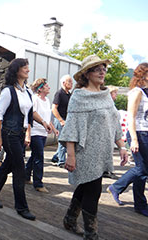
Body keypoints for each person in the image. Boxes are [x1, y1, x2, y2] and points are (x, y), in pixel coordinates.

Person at [59, 55, 128, 239]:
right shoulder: (79, 96)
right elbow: (71, 127)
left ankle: (70, 219)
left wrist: (121, 146)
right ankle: (91, 233)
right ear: (87, 74)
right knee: (94, 190)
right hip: (85, 152)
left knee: (86, 187)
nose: (102, 71)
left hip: (103, 152)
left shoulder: (106, 95)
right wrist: (70, 155)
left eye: (104, 68)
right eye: (97, 69)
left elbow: (113, 123)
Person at [0, 58, 49, 221]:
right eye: (24, 67)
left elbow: (30, 112)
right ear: (16, 70)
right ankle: (21, 207)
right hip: (9, 134)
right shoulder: (8, 91)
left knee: (7, 165)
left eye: (28, 66)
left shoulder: (26, 91)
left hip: (19, 135)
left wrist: (43, 122)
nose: (28, 69)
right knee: (19, 170)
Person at [107, 63, 148, 217]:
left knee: (143, 170)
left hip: (146, 133)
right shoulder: (136, 92)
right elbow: (131, 116)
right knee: (142, 169)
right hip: (138, 133)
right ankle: (116, 187)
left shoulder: (146, 92)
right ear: (143, 75)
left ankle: (140, 204)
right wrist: (135, 140)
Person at [25, 78, 58, 193]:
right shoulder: (35, 99)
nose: (49, 87)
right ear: (40, 89)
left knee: (35, 155)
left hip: (44, 132)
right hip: (35, 132)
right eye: (47, 86)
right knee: (39, 156)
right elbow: (32, 114)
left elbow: (47, 117)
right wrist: (28, 134)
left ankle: (25, 175)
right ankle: (38, 183)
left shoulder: (47, 100)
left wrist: (54, 129)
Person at [51, 75, 73, 167]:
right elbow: (54, 108)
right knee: (62, 140)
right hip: (61, 119)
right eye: (70, 82)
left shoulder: (69, 94)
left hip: (67, 119)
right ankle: (61, 161)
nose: (71, 84)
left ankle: (56, 157)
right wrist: (60, 120)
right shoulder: (59, 93)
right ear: (64, 83)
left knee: (65, 140)